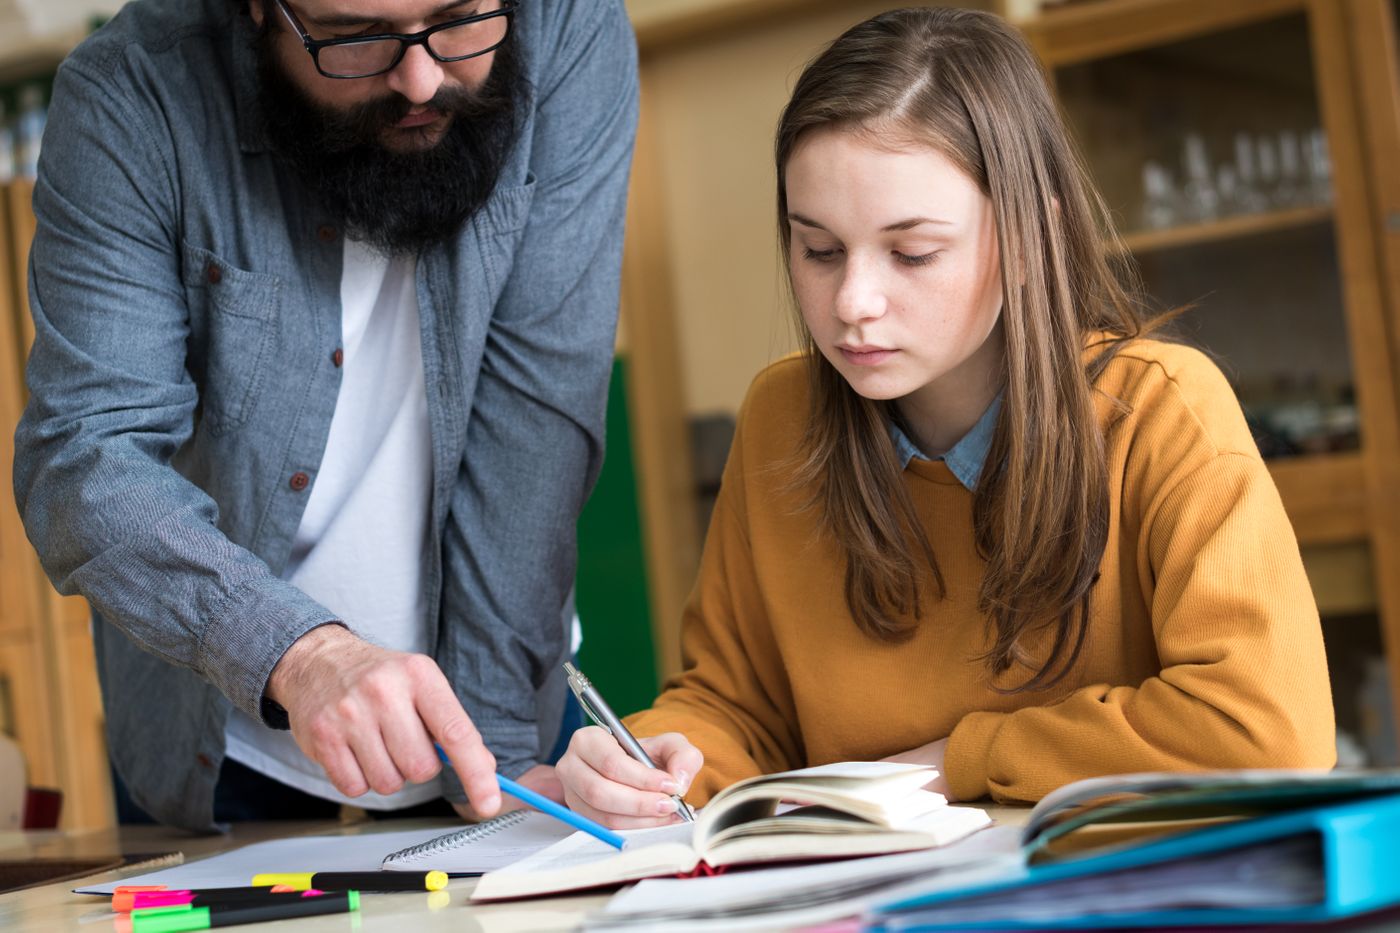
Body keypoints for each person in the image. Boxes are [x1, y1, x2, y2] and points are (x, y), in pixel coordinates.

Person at [555, 6, 1336, 829]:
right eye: (817, 249)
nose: (852, 302)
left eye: (912, 252)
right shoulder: (781, 418)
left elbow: (1268, 729)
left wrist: (957, 759)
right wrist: (651, 757)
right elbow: (736, 708)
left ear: (1032, 240)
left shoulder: (1163, 409)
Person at [12, 0, 638, 831]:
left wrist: (488, 747)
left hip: (503, 719)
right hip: (224, 746)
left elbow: (538, 412)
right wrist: (302, 655)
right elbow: (85, 456)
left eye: (458, 20)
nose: (420, 77)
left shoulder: (571, 27)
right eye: (354, 37)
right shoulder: (133, 95)